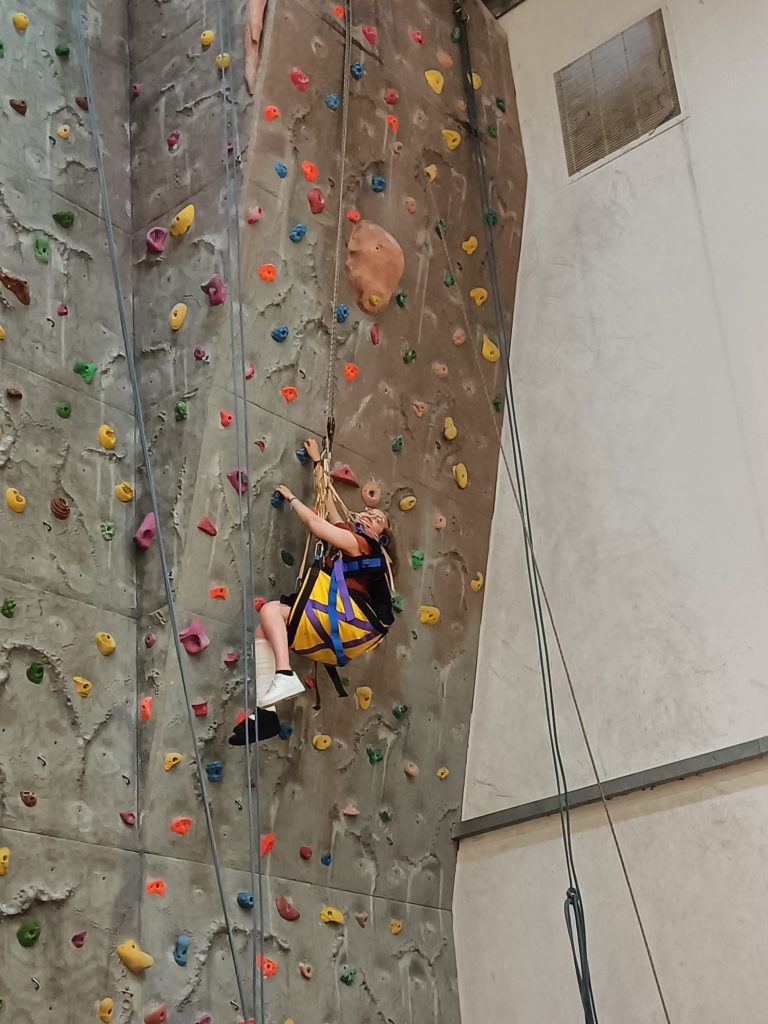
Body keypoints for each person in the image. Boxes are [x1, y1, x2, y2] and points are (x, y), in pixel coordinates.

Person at [255, 437, 392, 707]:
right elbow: (327, 502)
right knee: (265, 630)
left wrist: (292, 498)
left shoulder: (363, 544)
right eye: (369, 511)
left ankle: (284, 673)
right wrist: (318, 461)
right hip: (338, 620)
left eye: (378, 519)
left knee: (270, 610)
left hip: (342, 617)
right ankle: (266, 712)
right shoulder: (352, 538)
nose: (368, 514)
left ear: (381, 535)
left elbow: (316, 523)